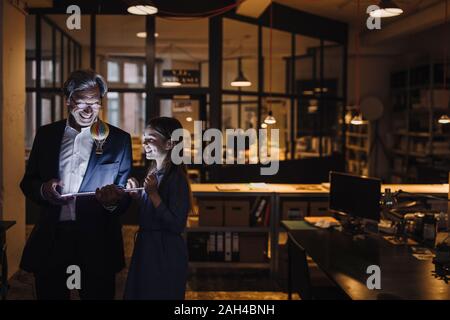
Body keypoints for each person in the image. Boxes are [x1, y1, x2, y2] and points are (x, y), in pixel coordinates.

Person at [20, 69, 132, 300]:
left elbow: (124, 198)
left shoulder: (119, 140)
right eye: (82, 102)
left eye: (95, 102)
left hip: (98, 242)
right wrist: (43, 189)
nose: (90, 110)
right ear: (68, 100)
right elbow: (28, 182)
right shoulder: (46, 135)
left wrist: (113, 202)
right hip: (53, 240)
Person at [124, 117, 192, 300]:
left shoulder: (176, 179)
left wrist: (153, 194)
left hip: (164, 251)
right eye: (144, 137)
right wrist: (138, 196)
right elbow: (153, 212)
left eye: (151, 138)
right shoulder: (154, 172)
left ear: (169, 144)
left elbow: (176, 225)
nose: (144, 143)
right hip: (148, 247)